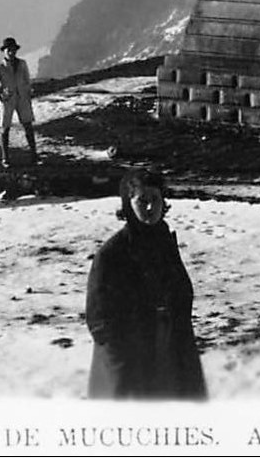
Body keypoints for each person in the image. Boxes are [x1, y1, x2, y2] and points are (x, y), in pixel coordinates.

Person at [84, 169, 207, 400]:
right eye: (142, 201)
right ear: (128, 204)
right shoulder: (112, 253)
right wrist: (123, 360)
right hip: (132, 357)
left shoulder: (163, 241)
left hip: (170, 347)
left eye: (156, 200)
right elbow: (99, 319)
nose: (150, 208)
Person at [0, 37, 37, 167]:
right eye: (9, 50)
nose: (11, 52)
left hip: (22, 98)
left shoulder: (22, 64)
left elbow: (27, 79)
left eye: (13, 50)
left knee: (28, 125)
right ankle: (5, 158)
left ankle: (34, 155)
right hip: (8, 99)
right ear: (4, 51)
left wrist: (27, 92)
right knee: (5, 127)